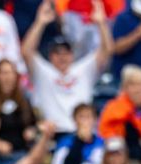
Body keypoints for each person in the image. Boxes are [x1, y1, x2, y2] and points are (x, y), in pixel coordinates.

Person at [20, 1, 113, 133]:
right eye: (57, 53)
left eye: (66, 53)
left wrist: (101, 23)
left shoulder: (83, 70)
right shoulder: (43, 72)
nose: (62, 57)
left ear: (72, 55)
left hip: (81, 131)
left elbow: (107, 50)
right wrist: (40, 22)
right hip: (52, 133)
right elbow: (26, 51)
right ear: (50, 56)